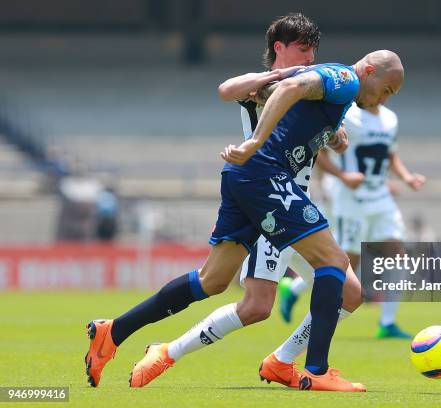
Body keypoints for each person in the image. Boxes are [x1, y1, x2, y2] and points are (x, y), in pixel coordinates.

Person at [85, 49, 404, 392]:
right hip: (266, 175)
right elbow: (289, 89)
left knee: (213, 279)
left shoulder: (335, 89)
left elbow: (288, 90)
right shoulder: (345, 80)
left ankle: (113, 331)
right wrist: (255, 141)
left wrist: (329, 134)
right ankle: (316, 369)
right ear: (369, 71)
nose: (381, 100)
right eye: (386, 90)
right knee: (334, 262)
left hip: (242, 176)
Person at [138, 13, 362, 389]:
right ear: (279, 48)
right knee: (255, 305)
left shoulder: (308, 88)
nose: (310, 58)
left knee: (349, 292)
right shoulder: (265, 87)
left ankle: (280, 361)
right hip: (267, 204)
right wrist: (274, 79)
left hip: (295, 203)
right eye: (303, 50)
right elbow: (227, 88)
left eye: (313, 51)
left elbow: (305, 142)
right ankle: (168, 352)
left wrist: (332, 137)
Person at [278, 103, 426, 339]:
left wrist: (407, 178)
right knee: (345, 263)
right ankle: (297, 294)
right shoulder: (347, 115)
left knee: (397, 255)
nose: (391, 92)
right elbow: (320, 152)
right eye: (389, 86)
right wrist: (340, 177)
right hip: (349, 200)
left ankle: (387, 323)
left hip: (380, 199)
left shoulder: (390, 118)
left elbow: (389, 154)